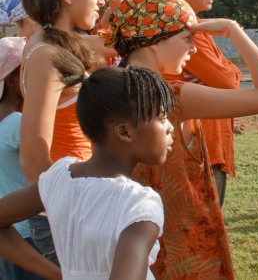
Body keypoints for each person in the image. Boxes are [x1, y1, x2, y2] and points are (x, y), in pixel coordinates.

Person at [99, 0, 258, 279]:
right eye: (188, 38)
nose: (194, 48)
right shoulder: (173, 96)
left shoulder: (105, 89)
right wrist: (232, 29)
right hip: (186, 251)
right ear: (154, 41)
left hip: (130, 249)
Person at [0, 64, 177, 279]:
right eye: (161, 118)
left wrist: (60, 274)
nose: (170, 127)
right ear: (124, 132)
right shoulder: (138, 205)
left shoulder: (59, 178)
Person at [18, 0, 130, 264]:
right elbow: (32, 158)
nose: (101, 0)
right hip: (65, 214)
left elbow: (113, 41)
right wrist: (71, 208)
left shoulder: (56, 44)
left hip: (76, 201)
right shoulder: (45, 55)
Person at [162, 0, 242, 206]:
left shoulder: (195, 25)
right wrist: (227, 74)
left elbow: (231, 77)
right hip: (198, 147)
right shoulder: (187, 28)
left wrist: (227, 74)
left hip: (204, 143)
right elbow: (230, 82)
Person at [0, 36, 44, 280]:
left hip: (8, 231)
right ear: (14, 81)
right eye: (29, 74)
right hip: (28, 232)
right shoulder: (19, 123)